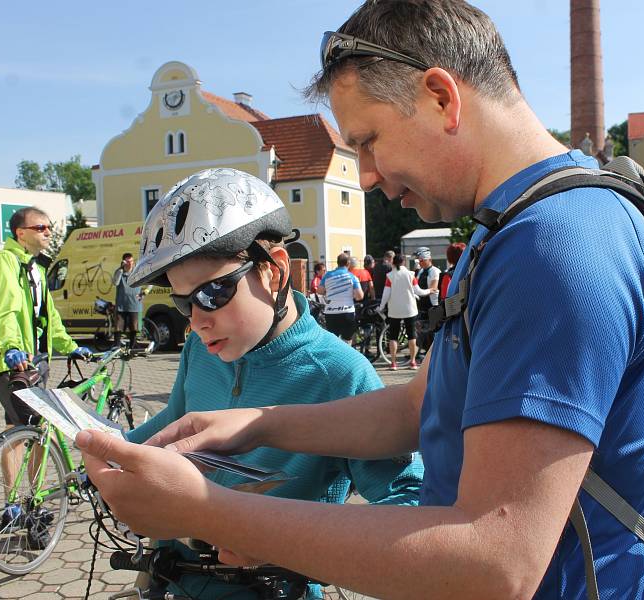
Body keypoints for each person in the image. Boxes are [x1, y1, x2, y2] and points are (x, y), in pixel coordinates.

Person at [78, 2, 644, 598]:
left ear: (442, 97)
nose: (364, 176)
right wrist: (252, 423)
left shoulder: (550, 247)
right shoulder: (513, 227)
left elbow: (496, 562)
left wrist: (205, 511)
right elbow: (415, 411)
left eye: (367, 141)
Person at [118, 168, 422, 599]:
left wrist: (286, 543)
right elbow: (177, 419)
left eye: (212, 294)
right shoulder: (199, 351)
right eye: (183, 302)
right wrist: (114, 449)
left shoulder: (339, 372)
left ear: (275, 273)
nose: (197, 321)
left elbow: (411, 498)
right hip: (170, 579)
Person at [0, 206, 91, 547]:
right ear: (21, 233)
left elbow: (49, 317)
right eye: (40, 227)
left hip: (34, 362)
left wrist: (71, 346)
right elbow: (3, 310)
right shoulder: (5, 262)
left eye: (49, 227)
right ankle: (27, 507)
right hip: (12, 363)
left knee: (26, 431)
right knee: (27, 431)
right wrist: (11, 347)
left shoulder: (36, 269)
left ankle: (19, 505)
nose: (47, 232)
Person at [378, 253, 430, 370]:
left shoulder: (390, 276)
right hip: (410, 309)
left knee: (393, 337)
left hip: (394, 310)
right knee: (412, 336)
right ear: (404, 262)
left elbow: (386, 295)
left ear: (393, 262)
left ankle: (393, 363)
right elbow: (418, 291)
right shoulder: (411, 275)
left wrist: (381, 307)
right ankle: (412, 362)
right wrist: (430, 290)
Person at [317, 253, 363, 343]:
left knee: (333, 342)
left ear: (337, 263)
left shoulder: (327, 275)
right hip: (347, 312)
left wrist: (329, 291)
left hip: (331, 312)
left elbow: (319, 291)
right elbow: (360, 296)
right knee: (347, 341)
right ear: (348, 263)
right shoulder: (352, 277)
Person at [111, 252, 143, 348]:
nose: (130, 264)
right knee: (118, 327)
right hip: (121, 305)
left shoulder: (137, 272)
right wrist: (121, 269)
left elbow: (147, 281)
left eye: (132, 261)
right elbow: (115, 283)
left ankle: (132, 346)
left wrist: (145, 292)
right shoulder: (119, 272)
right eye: (128, 262)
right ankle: (117, 346)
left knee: (134, 327)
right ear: (124, 262)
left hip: (134, 305)